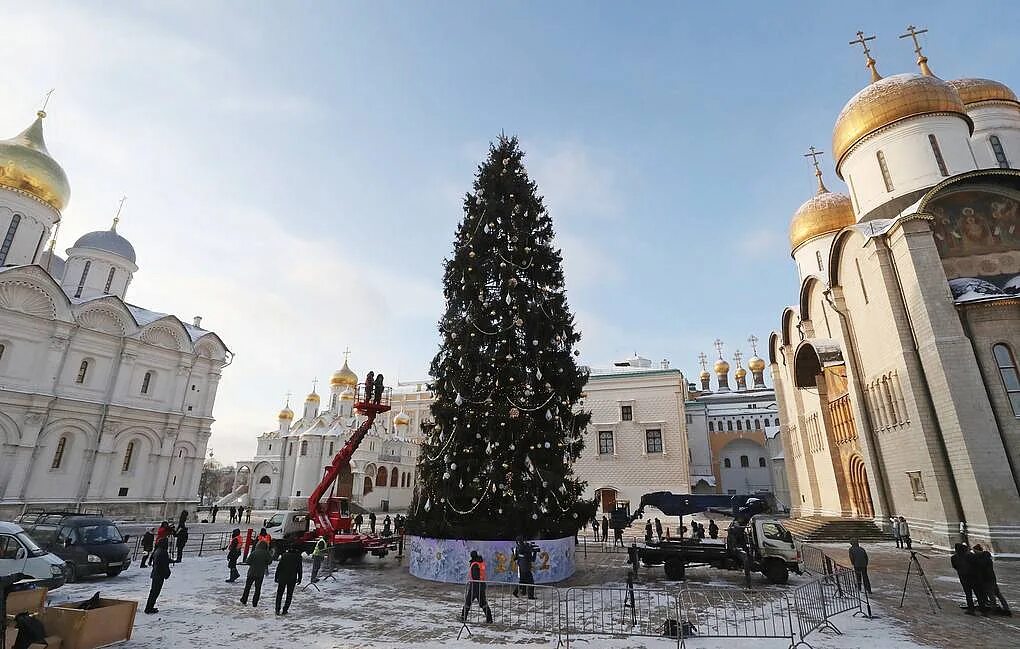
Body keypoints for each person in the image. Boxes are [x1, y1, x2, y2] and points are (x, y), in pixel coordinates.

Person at [972, 544, 1011, 616]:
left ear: (977, 551)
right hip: (992, 579)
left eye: (975, 551)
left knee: (992, 596)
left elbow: (981, 567)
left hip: (987, 580)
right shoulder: (987, 557)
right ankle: (1006, 608)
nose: (974, 553)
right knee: (998, 594)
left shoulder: (982, 559)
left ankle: (994, 610)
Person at [461, 551, 492, 623]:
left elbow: (475, 576)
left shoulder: (475, 564)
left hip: (475, 586)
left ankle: (463, 617)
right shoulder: (480, 562)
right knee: (483, 603)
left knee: (468, 602)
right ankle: (489, 618)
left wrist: (474, 586)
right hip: (481, 585)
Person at [241, 541, 272, 607]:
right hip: (260, 574)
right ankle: (255, 602)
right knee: (257, 588)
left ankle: (244, 599)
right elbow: (269, 562)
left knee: (247, 587)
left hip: (251, 573)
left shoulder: (254, 552)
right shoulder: (266, 553)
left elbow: (248, 561)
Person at [145, 537, 172, 614]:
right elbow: (163, 564)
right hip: (159, 574)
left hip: (156, 574)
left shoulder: (158, 550)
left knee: (153, 592)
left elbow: (162, 561)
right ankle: (149, 608)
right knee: (155, 592)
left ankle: (149, 607)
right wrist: (167, 573)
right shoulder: (163, 552)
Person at [274, 544, 303, 615]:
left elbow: (279, 567)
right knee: (289, 595)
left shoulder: (284, 555)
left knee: (279, 594)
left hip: (282, 577)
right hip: (292, 578)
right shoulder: (298, 557)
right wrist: (299, 578)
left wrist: (276, 576)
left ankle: (277, 609)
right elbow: (299, 569)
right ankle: (285, 609)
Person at [951, 543, 978, 614]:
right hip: (973, 576)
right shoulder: (970, 555)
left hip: (963, 577)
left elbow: (955, 567)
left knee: (968, 594)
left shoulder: (954, 557)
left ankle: (971, 609)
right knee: (977, 592)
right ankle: (983, 608)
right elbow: (975, 564)